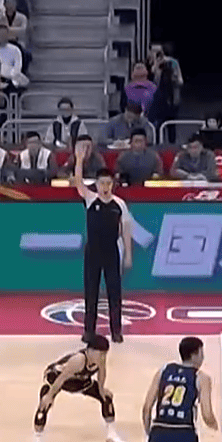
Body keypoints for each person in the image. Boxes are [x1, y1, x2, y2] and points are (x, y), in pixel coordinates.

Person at [72, 142, 133, 343]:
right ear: (97, 185)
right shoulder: (90, 199)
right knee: (91, 293)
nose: (105, 187)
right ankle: (89, 331)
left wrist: (128, 255)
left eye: (108, 183)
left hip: (111, 253)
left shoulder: (120, 204)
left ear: (112, 184)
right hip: (93, 253)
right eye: (102, 183)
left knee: (114, 293)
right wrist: (79, 159)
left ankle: (116, 331)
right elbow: (78, 182)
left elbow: (126, 230)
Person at [34, 335, 127, 442]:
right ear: (91, 351)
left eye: (105, 354)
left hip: (80, 380)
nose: (103, 357)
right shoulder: (78, 360)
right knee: (44, 405)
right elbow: (61, 378)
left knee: (107, 398)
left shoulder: (100, 359)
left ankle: (112, 435)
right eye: (101, 354)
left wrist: (101, 390)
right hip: (56, 378)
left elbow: (102, 373)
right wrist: (50, 396)